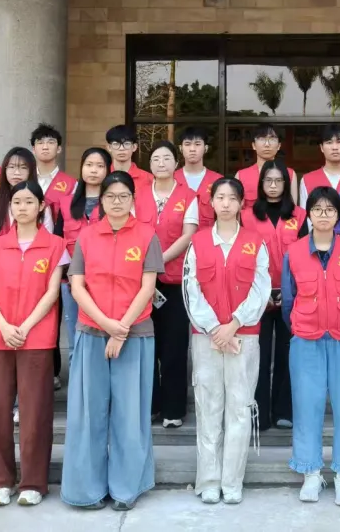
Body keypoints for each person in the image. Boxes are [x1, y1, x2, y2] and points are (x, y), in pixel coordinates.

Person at [61, 171, 161, 512]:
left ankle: (126, 489)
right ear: (100, 200)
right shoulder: (86, 236)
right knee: (88, 414)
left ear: (133, 199)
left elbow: (148, 288)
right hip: (91, 333)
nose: (117, 202)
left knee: (129, 414)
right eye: (110, 196)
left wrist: (121, 329)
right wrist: (106, 325)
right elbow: (77, 287)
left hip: (136, 334)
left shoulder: (147, 235)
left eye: (123, 196)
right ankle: (86, 490)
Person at [0, 180, 69, 507]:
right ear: (10, 206)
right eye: (17, 202)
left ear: (41, 206)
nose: (22, 207)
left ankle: (33, 482)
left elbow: (53, 292)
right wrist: (4, 326)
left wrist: (26, 326)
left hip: (37, 338)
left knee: (35, 412)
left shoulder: (56, 245)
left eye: (29, 201)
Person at [182, 177, 271, 504]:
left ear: (241, 203)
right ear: (212, 202)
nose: (226, 203)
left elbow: (261, 289)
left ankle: (232, 482)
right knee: (208, 407)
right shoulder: (198, 242)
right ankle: (208, 481)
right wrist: (214, 329)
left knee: (239, 408)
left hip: (243, 338)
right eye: (220, 197)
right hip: (206, 338)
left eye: (232, 198)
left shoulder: (255, 242)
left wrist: (233, 325)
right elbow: (190, 290)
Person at [283, 186, 340, 507]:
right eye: (318, 209)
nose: (324, 215)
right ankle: (310, 472)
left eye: (330, 210)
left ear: (338, 216)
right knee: (307, 406)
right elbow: (288, 299)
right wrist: (304, 323)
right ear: (308, 214)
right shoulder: (294, 252)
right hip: (306, 340)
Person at [134, 141, 199, 428]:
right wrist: (148, 264)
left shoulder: (189, 195)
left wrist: (159, 260)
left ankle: (173, 409)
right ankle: (150, 406)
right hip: (141, 282)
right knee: (146, 344)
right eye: (156, 159)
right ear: (149, 165)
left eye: (167, 158)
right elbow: (132, 231)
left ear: (176, 163)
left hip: (174, 281)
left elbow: (188, 235)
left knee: (174, 346)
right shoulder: (137, 194)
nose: (161, 163)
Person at [0, 146, 55, 381]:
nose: (16, 172)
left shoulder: (41, 204)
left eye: (22, 167)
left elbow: (48, 241)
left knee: (34, 338)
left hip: (34, 277)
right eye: (11, 167)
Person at [240, 159, 304, 431]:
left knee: (288, 354)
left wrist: (293, 293)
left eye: (279, 181)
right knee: (259, 354)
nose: (274, 185)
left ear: (287, 184)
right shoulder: (246, 216)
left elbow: (305, 257)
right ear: (260, 184)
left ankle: (283, 410)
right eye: (269, 180)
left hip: (292, 296)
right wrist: (259, 293)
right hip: (258, 296)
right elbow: (243, 259)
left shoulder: (300, 216)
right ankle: (259, 413)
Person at [58, 147, 112, 364]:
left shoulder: (114, 203)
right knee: (75, 337)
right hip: (71, 281)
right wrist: (71, 274)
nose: (94, 170)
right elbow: (58, 242)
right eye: (89, 165)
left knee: (102, 335)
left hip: (105, 282)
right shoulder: (65, 203)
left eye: (100, 166)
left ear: (108, 170)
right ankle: (77, 383)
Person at [236, 125, 298, 208]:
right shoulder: (241, 175)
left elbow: (293, 209)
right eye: (262, 139)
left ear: (279, 146)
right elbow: (237, 209)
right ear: (253, 145)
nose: (267, 144)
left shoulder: (290, 173)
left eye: (272, 139)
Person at [174, 126, 222, 230]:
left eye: (197, 144)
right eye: (187, 144)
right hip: (178, 239)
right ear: (180, 148)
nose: (192, 149)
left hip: (209, 238)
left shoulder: (218, 181)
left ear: (206, 148)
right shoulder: (172, 179)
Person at [31, 123, 76, 225]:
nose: (45, 147)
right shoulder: (25, 179)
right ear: (33, 149)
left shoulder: (71, 184)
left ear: (59, 149)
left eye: (51, 142)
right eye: (40, 143)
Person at [106, 124, 154, 190]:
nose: (121, 148)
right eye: (116, 144)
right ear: (109, 147)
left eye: (126, 144)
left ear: (134, 147)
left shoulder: (149, 179)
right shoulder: (102, 176)